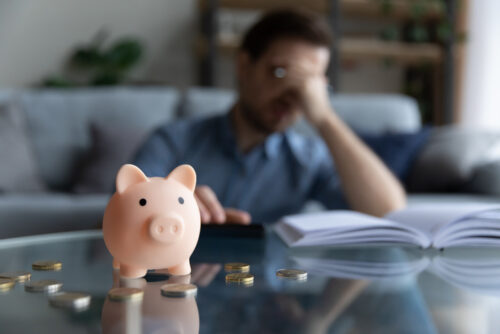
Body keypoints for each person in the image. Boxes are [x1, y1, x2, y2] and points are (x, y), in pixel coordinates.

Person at [133, 8, 406, 225]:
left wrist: (325, 118)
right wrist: (165, 204)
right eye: (279, 72)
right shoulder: (172, 141)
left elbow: (389, 215)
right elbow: (117, 216)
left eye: (306, 81)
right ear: (244, 65)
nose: (291, 94)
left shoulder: (308, 160)